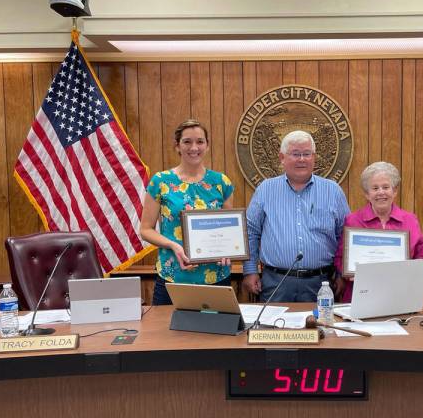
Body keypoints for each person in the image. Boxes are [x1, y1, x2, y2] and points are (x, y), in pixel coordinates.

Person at [242, 130, 350, 302]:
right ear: (282, 157)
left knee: (319, 328)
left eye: (306, 154)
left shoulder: (333, 191)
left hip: (322, 283)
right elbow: (250, 232)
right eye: (295, 154)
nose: (302, 159)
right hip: (276, 282)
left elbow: (344, 235)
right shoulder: (265, 189)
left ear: (314, 157)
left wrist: (341, 273)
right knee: (274, 329)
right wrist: (250, 270)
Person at [141, 119, 234, 305]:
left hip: (215, 277)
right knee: (167, 333)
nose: (194, 147)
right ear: (177, 146)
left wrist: (227, 250)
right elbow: (146, 230)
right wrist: (174, 246)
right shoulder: (160, 181)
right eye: (187, 142)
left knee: (216, 333)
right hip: (173, 275)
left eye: (200, 141)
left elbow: (228, 229)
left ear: (207, 146)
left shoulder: (221, 182)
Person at [334, 161, 423, 302]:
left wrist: (410, 275)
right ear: (367, 194)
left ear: (394, 191)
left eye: (386, 187)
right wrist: (349, 273)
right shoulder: (352, 221)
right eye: (375, 188)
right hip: (360, 295)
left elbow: (421, 257)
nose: (381, 192)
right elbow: (340, 258)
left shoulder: (410, 220)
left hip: (398, 295)